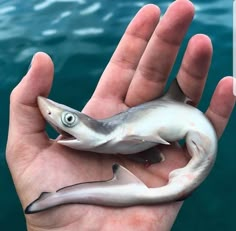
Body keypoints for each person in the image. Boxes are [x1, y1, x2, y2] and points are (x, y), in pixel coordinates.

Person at [6, 0, 235, 230]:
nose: (57, 121)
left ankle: (64, 197)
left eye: (69, 120)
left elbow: (146, 146)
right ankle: (64, 196)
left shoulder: (121, 133)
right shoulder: (119, 144)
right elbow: (150, 154)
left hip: (198, 139)